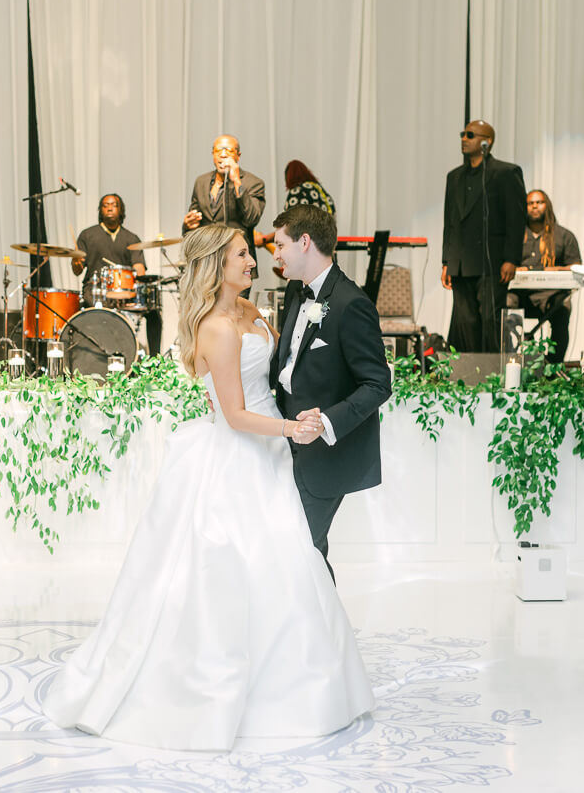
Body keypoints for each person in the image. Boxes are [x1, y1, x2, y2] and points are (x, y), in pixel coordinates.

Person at [42, 224, 373, 752]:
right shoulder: (217, 327)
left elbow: (277, 376)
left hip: (274, 454)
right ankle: (220, 694)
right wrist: (291, 429)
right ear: (218, 263)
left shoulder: (253, 311)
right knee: (238, 567)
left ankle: (302, 684)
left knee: (289, 563)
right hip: (243, 451)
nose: (253, 259)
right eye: (243, 254)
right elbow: (236, 415)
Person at [270, 205, 391, 582]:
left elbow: (377, 383)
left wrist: (325, 421)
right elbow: (289, 364)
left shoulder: (351, 303)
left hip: (323, 455)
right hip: (284, 444)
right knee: (301, 552)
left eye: (280, 244)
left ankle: (323, 636)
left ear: (304, 242)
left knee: (302, 550)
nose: (275, 254)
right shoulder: (295, 292)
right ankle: (321, 637)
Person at [440, 119, 527, 352]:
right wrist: (446, 261)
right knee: (465, 320)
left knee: (490, 318)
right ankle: (471, 371)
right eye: (463, 134)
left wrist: (511, 258)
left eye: (470, 135)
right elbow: (450, 222)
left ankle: (492, 370)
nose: (464, 139)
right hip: (461, 261)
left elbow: (516, 219)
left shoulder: (506, 173)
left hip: (493, 260)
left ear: (486, 142)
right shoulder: (454, 176)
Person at [75, 193, 161, 355]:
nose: (109, 208)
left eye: (113, 205)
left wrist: (135, 279)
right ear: (100, 210)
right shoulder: (87, 235)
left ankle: (155, 361)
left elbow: (139, 269)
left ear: (121, 210)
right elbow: (77, 270)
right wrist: (76, 263)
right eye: (105, 205)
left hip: (125, 294)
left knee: (154, 313)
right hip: (95, 292)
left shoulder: (131, 238)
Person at [509, 189, 583, 363]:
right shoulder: (515, 236)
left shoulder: (564, 236)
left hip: (550, 295)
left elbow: (577, 267)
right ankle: (511, 361)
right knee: (505, 305)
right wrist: (516, 269)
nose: (535, 206)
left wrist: (557, 270)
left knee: (562, 308)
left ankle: (553, 364)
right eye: (530, 203)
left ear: (547, 205)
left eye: (539, 202)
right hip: (521, 295)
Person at [182, 134, 265, 262]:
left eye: (229, 150)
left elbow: (251, 219)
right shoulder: (201, 182)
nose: (223, 154)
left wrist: (237, 182)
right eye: (218, 150)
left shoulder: (254, 183)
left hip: (238, 260)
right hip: (207, 259)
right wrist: (187, 225)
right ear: (213, 154)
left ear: (238, 155)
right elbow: (194, 224)